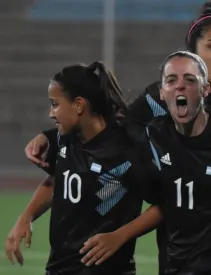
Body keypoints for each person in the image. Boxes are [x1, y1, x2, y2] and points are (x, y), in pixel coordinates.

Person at [22, 2, 211, 274]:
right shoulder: (162, 98)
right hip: (180, 253)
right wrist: (53, 137)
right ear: (193, 55)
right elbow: (110, 127)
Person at [80, 51, 211, 274]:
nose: (180, 86)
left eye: (190, 80)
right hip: (177, 266)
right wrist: (49, 139)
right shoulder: (153, 138)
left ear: (205, 89)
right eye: (171, 81)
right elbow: (162, 201)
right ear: (162, 93)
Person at [5, 62, 162, 275]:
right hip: (59, 269)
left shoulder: (125, 152)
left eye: (55, 104)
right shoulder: (65, 139)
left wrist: (120, 236)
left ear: (79, 105)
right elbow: (56, 180)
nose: (51, 113)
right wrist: (26, 217)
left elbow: (163, 205)